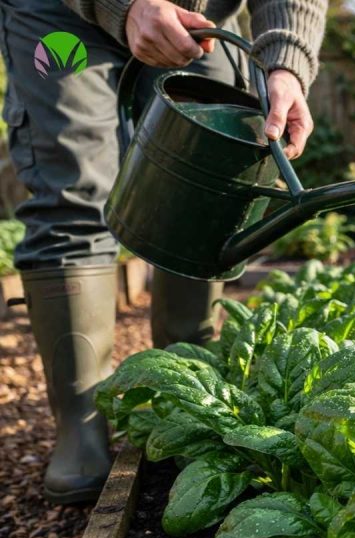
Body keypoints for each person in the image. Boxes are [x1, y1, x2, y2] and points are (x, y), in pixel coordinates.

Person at [0, 0, 326, 503]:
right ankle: (82, 423)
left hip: (203, 27)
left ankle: (183, 400)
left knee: (215, 173)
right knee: (73, 187)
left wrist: (285, 62)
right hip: (60, 15)